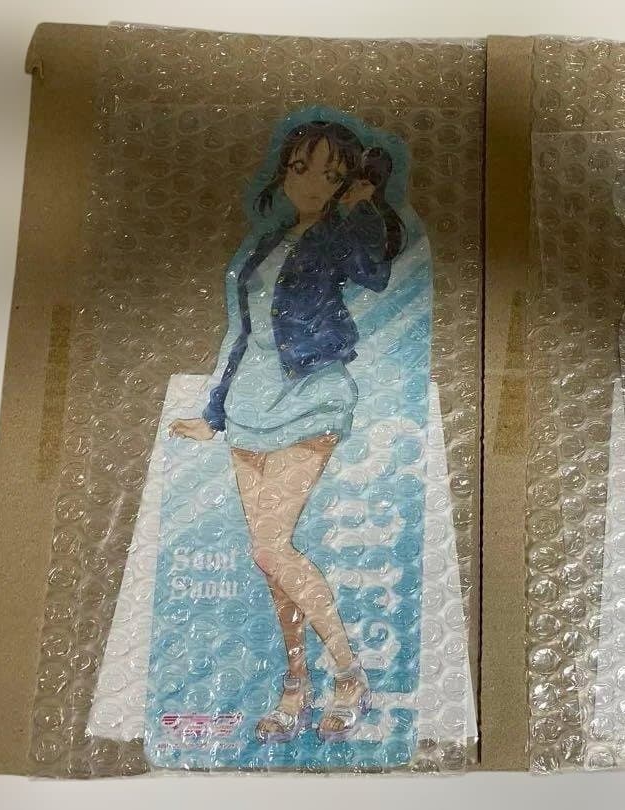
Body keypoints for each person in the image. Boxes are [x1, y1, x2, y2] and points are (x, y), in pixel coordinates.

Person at [168, 113, 407, 743]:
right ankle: (296, 683)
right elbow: (240, 333)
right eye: (301, 168)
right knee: (269, 558)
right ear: (284, 172)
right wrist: (214, 413)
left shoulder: (338, 236)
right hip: (250, 403)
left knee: (272, 548)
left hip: (310, 397)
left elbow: (375, 271)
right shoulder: (268, 242)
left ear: (346, 182)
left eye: (330, 174)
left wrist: (364, 206)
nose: (310, 183)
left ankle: (349, 674)